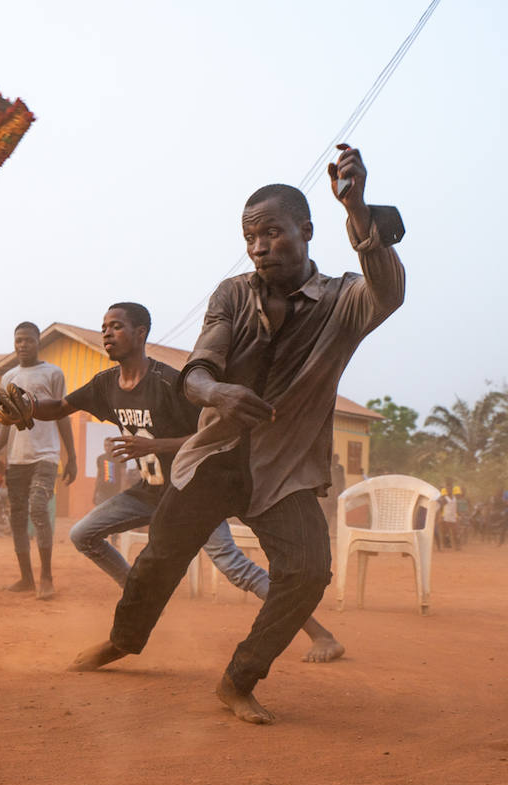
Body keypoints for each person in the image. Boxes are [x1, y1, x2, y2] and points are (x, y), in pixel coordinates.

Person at [65, 146, 404, 723]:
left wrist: (360, 213)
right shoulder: (233, 294)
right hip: (214, 457)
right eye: (250, 239)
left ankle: (240, 678)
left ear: (307, 230)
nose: (259, 247)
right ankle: (125, 640)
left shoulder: (343, 301)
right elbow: (199, 367)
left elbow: (388, 291)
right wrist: (214, 392)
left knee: (308, 572)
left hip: (286, 467)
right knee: (159, 560)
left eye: (272, 233)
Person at [0, 301, 344, 662]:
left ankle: (323, 635)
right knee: (82, 534)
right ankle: (142, 597)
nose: (106, 333)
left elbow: (217, 434)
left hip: (194, 495)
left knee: (234, 567)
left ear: (140, 333)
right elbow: (61, 407)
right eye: (104, 326)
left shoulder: (171, 384)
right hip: (149, 492)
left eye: (116, 326)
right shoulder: (105, 386)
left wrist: (153, 445)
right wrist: (30, 406)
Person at [0, 322, 76, 599]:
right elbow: (6, 421)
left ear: (38, 342)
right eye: (18, 340)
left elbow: (62, 413)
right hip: (16, 459)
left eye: (27, 340)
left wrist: (71, 456)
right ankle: (26, 578)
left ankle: (46, 577)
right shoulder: (8, 377)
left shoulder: (53, 373)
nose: (22, 345)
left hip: (45, 456)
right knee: (16, 517)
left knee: (38, 508)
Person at [435, 478, 461, 551]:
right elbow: (440, 508)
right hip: (445, 517)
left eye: (450, 489)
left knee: (455, 532)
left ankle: (457, 546)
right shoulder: (445, 498)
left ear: (452, 490)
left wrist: (458, 515)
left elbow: (456, 507)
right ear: (446, 490)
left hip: (453, 517)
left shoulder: (455, 498)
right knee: (444, 533)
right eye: (448, 489)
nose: (449, 490)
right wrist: (440, 516)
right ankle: (443, 546)